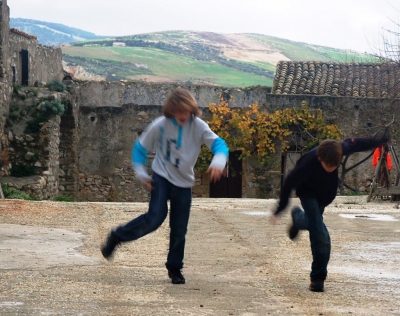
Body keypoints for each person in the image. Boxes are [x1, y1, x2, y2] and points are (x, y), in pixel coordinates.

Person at [101, 88, 229, 284]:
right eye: (178, 111)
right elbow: (140, 148)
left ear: (192, 110)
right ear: (171, 111)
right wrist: (142, 173)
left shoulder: (199, 126)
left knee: (179, 228)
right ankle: (117, 237)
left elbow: (219, 145)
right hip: (162, 176)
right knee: (155, 218)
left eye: (186, 111)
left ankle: (175, 268)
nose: (182, 115)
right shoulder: (160, 125)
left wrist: (218, 162)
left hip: (184, 182)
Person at [269, 135, 388, 292]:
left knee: (313, 222)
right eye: (328, 165)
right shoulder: (307, 164)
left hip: (324, 196)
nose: (331, 168)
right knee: (320, 234)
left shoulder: (338, 149)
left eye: (335, 165)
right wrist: (279, 209)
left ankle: (298, 219)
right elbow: (288, 183)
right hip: (308, 193)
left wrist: (380, 140)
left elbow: (359, 143)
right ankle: (318, 278)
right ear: (320, 158)